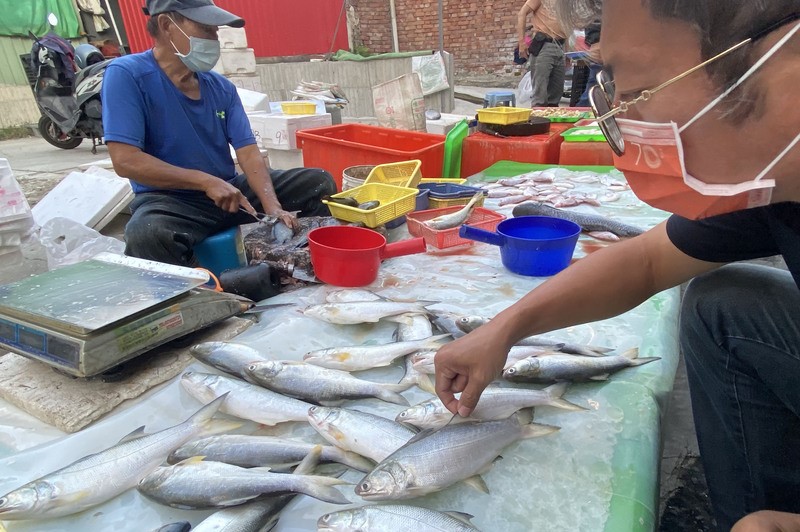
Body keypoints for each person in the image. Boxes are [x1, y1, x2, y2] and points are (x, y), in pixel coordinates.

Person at [436, 0, 800, 530]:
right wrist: (504, 329)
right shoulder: (773, 184)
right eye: (611, 92)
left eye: (638, 91)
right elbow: (647, 261)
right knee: (724, 304)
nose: (622, 118)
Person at [102, 0, 336, 267]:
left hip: (229, 194)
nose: (215, 39)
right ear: (167, 25)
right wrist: (205, 182)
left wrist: (272, 206)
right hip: (169, 201)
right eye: (206, 29)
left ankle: (306, 263)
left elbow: (247, 151)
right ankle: (202, 288)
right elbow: (125, 160)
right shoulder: (127, 75)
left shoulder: (221, 87)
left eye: (216, 31)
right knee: (146, 234)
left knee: (318, 182)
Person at [516, 0, 568, 107]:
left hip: (560, 46)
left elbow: (565, 26)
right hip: (544, 45)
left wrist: (567, 52)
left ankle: (552, 115)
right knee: (540, 93)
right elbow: (522, 13)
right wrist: (521, 42)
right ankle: (538, 115)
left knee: (556, 93)